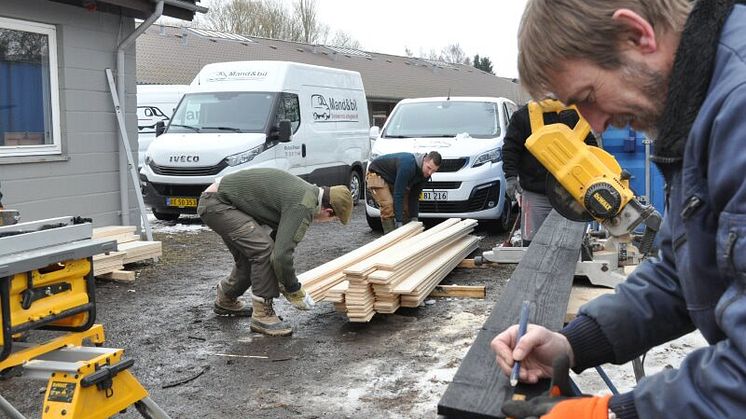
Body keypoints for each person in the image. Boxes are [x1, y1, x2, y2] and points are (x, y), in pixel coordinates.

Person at [492, 0, 746, 418]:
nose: (594, 127)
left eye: (588, 96)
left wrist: (611, 412)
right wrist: (574, 343)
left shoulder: (736, 108)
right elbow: (680, 272)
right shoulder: (700, 109)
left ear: (636, 35)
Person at [197, 168, 353, 337]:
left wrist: (283, 281)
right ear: (328, 211)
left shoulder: (306, 193)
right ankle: (263, 315)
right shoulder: (304, 204)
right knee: (263, 251)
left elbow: (279, 246)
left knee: (254, 255)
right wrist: (294, 289)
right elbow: (280, 256)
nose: (325, 222)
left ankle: (226, 298)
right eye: (332, 219)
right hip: (218, 204)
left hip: (218, 202)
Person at [502, 100, 597, 245]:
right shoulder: (523, 116)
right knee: (532, 242)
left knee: (570, 243)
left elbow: (591, 148)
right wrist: (510, 176)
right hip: (535, 192)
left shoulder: (571, 114)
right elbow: (511, 148)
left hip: (570, 194)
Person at [366, 151, 441, 234]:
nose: (430, 173)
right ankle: (390, 237)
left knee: (406, 207)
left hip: (392, 178)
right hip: (376, 173)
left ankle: (408, 237)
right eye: (429, 168)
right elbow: (398, 194)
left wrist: (414, 219)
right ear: (424, 160)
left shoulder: (425, 174)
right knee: (388, 205)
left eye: (434, 171)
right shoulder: (408, 166)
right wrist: (399, 222)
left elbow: (414, 196)